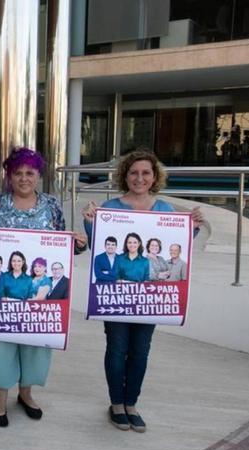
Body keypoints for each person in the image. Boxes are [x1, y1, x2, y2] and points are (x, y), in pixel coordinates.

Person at [83, 148, 204, 433]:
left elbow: (179, 244)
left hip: (150, 299)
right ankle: (116, 404)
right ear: (125, 175)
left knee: (141, 351)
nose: (139, 178)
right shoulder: (111, 209)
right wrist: (90, 224)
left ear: (154, 177)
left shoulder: (164, 209)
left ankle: (132, 404)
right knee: (116, 349)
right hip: (117, 298)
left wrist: (193, 228)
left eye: (145, 173)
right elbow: (98, 246)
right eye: (134, 172)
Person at [0, 146, 88, 428]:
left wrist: (78, 243)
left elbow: (62, 245)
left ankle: (26, 393)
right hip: (6, 289)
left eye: (29, 173)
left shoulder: (52, 205)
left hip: (39, 291)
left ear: (39, 175)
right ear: (9, 176)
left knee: (35, 344)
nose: (23, 178)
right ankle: (0, 399)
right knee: (1, 343)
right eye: (17, 173)